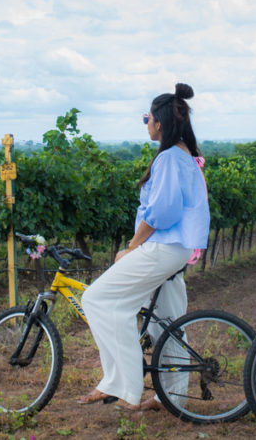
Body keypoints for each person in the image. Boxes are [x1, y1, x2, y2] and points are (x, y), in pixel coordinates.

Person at [78, 83, 210, 411]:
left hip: (162, 247)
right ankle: (172, 398)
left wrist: (132, 247)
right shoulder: (185, 155)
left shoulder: (167, 158)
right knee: (167, 323)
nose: (145, 124)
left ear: (160, 123)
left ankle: (122, 384)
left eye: (146, 118)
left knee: (98, 300)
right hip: (177, 249)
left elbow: (162, 213)